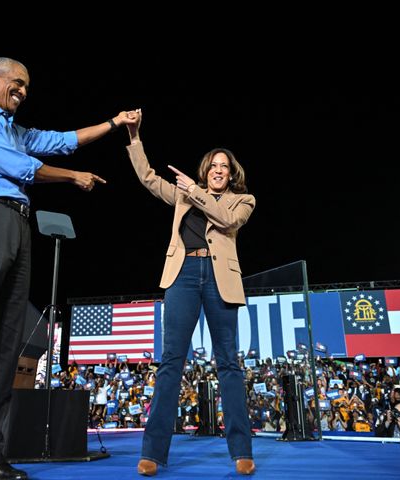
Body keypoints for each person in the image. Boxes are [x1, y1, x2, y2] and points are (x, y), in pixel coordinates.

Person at [0, 57, 138, 480]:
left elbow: (62, 140)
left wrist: (114, 123)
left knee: (8, 345)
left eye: (26, 87)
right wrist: (72, 178)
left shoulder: (16, 131)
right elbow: (18, 166)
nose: (21, 91)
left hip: (19, 226)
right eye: (16, 83)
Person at [125, 109, 256, 476]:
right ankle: (153, 452)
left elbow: (226, 220)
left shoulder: (242, 201)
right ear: (205, 168)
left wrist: (195, 191)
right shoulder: (183, 196)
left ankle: (241, 450)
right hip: (182, 275)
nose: (218, 170)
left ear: (231, 174)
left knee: (228, 364)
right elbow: (149, 179)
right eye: (213, 164)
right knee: (171, 362)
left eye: (224, 167)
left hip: (220, 279)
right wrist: (135, 138)